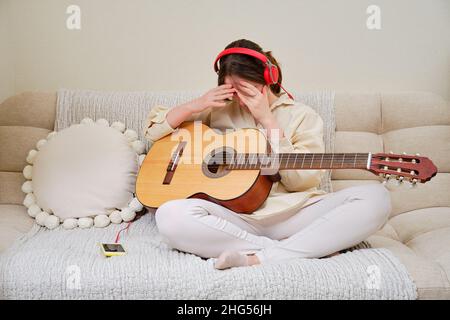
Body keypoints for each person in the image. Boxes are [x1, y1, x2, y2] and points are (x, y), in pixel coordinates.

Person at [143, 39, 391, 270]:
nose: (238, 100)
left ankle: (259, 256)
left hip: (294, 213)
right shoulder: (216, 112)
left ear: (267, 79)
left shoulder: (303, 116)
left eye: (244, 90)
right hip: (234, 217)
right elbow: (154, 132)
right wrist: (196, 105)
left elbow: (300, 182)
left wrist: (269, 121)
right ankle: (301, 248)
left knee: (376, 198)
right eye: (232, 91)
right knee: (169, 216)